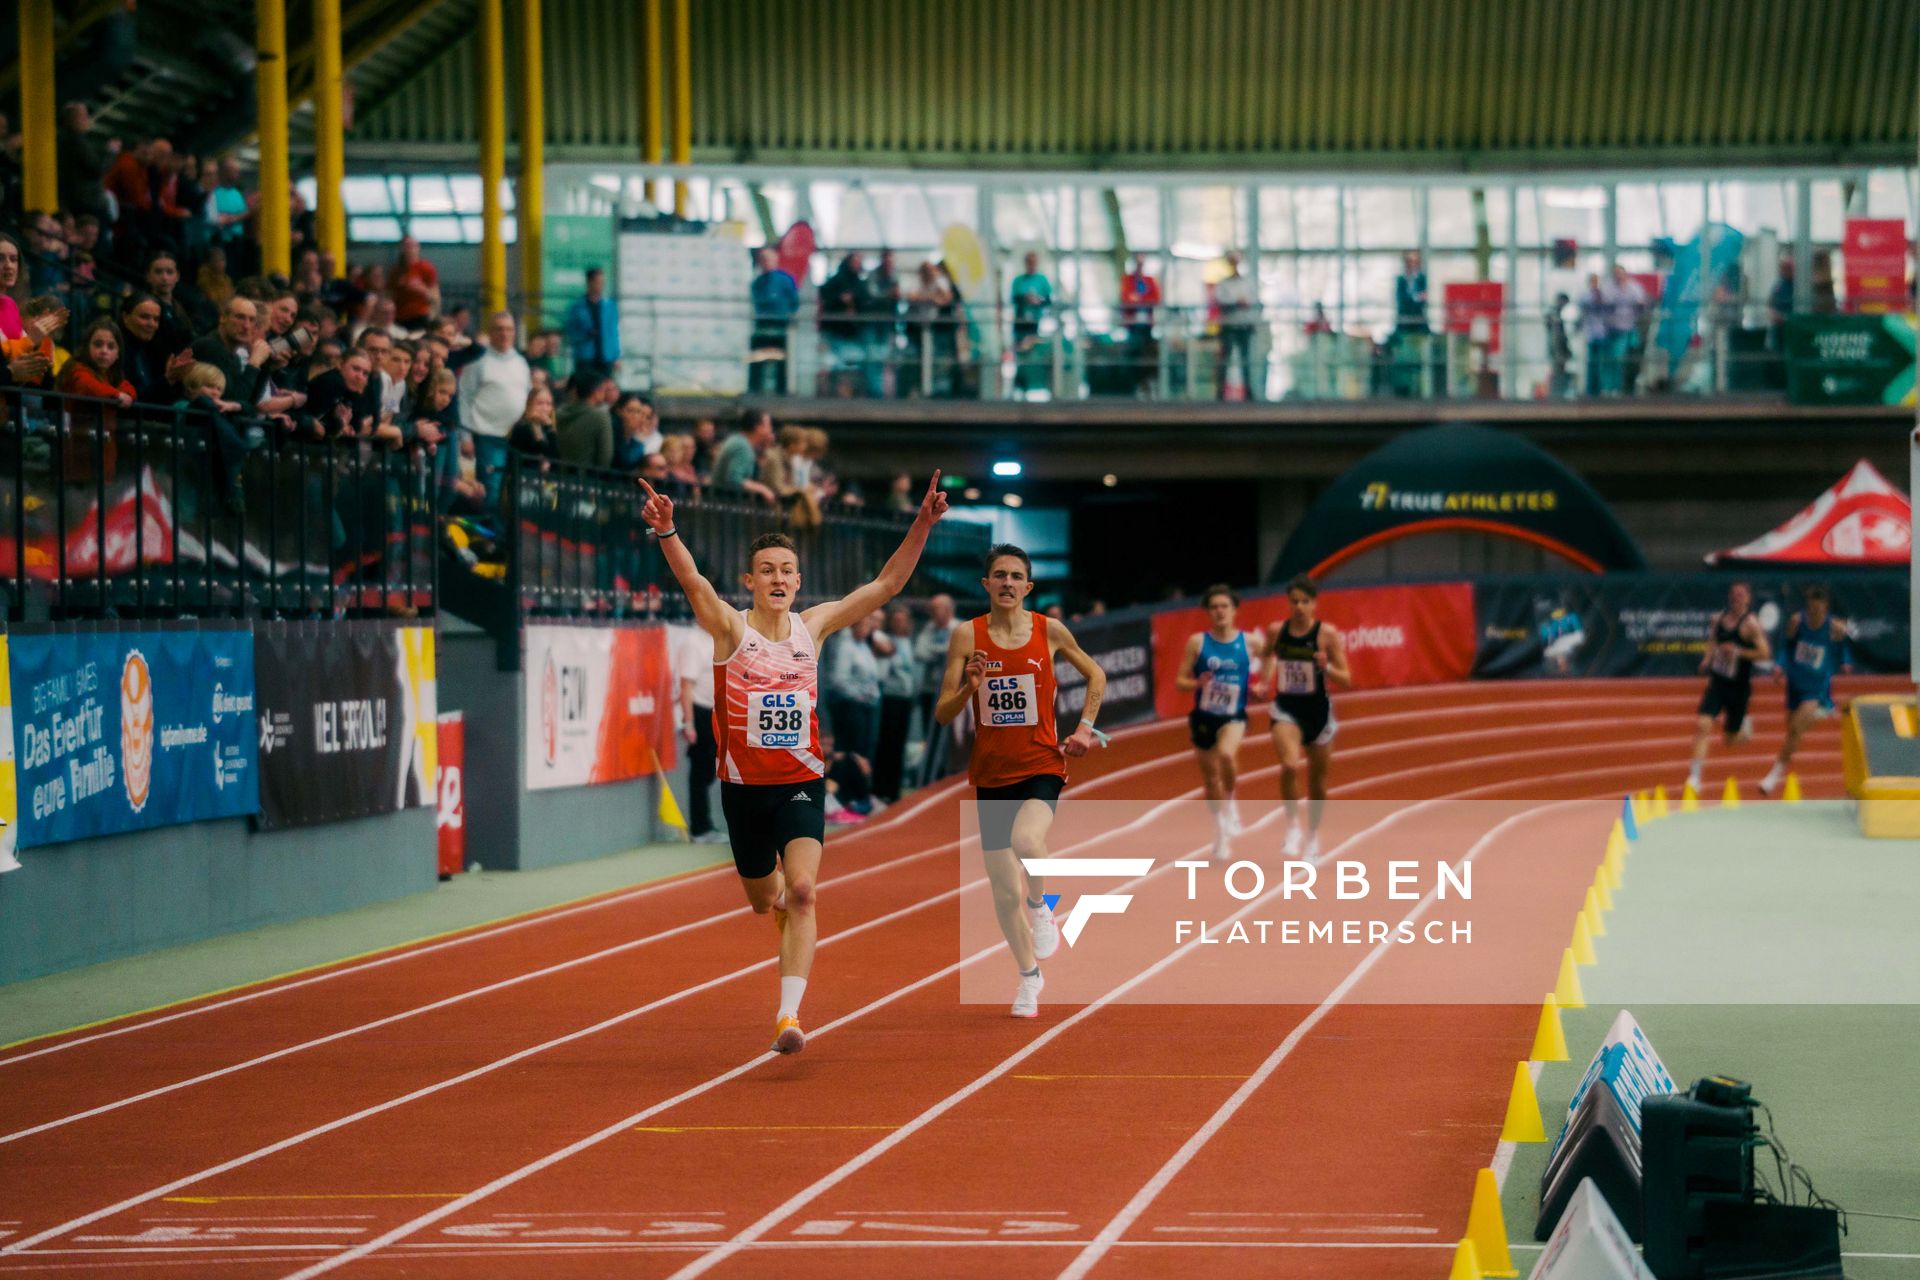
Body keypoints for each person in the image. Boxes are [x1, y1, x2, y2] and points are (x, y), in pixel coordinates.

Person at [636, 470, 951, 1054]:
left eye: (787, 570)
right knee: (766, 900)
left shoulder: (815, 625)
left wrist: (923, 523)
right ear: (750, 581)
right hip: (743, 793)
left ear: (798, 581)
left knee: (803, 891)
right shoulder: (729, 627)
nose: (778, 578)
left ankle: (788, 1016)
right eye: (768, 571)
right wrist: (668, 530)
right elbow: (692, 582)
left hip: (802, 784)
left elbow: (883, 586)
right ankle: (776, 903)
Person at [935, 544, 1107, 1019]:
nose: (1007, 583)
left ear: (1028, 587)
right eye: (999, 575)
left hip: (1041, 765)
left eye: (1016, 576)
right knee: (1001, 891)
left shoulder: (1048, 630)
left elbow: (1096, 673)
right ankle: (1029, 977)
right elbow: (942, 712)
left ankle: (1041, 905)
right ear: (986, 585)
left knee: (1027, 840)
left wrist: (1085, 728)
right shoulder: (966, 637)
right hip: (991, 773)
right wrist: (968, 688)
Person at [1175, 585, 1267, 861]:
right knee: (1210, 778)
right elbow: (1180, 681)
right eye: (1214, 607)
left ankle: (1232, 803)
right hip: (1204, 717)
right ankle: (1220, 832)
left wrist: (1262, 683)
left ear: (1234, 610)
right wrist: (1196, 682)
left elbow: (1269, 656)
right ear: (1208, 612)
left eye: (1224, 606)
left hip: (1234, 715)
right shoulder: (1197, 643)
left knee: (1227, 755)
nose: (1219, 611)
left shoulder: (1250, 642)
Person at [1261, 574, 1350, 859]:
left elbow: (1347, 678)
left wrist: (1328, 668)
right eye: (1294, 601)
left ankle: (1312, 836)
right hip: (1286, 708)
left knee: (1318, 781)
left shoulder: (1327, 635)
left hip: (1318, 712)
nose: (1299, 606)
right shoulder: (1277, 631)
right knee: (1288, 764)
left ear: (1315, 604)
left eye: (1305, 601)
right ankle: (1292, 827)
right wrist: (1264, 681)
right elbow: (1266, 655)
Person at [1761, 586, 1850, 797]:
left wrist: (1846, 662)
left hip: (1816, 687)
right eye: (1811, 602)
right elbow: (1786, 646)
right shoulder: (1797, 621)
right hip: (1795, 683)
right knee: (1791, 729)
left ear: (1826, 606)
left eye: (1818, 603)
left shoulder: (1833, 627)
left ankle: (1772, 777)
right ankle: (1823, 711)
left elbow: (1842, 649)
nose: (1814, 607)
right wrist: (1779, 666)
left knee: (1795, 731)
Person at [1687, 580, 1771, 795]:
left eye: (1741, 595)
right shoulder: (1719, 619)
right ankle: (1694, 777)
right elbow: (1714, 641)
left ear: (1748, 599)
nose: (1736, 599)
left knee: (1731, 739)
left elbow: (1765, 653)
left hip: (1739, 688)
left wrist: (1738, 652)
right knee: (1703, 724)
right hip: (1718, 683)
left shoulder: (1750, 624)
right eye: (1733, 595)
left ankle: (1745, 728)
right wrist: (1707, 659)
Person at [673, 621, 724, 843]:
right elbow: (686, 685)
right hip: (700, 711)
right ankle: (700, 827)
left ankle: (704, 825)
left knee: (711, 770)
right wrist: (689, 723)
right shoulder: (693, 643)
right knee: (700, 771)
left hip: (716, 712)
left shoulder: (714, 639)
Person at [873, 604, 921, 803]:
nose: (900, 624)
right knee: (887, 743)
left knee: (900, 744)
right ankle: (880, 787)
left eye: (903, 620)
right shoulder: (886, 641)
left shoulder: (909, 642)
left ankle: (894, 789)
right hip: (890, 698)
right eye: (896, 620)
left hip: (906, 698)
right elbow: (882, 671)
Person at [749, 249, 799, 394]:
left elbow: (794, 301)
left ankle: (781, 389)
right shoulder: (758, 282)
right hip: (763, 324)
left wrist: (786, 315)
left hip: (780, 323)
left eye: (769, 259)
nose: (766, 263)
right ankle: (755, 388)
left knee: (781, 357)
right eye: (763, 260)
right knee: (758, 356)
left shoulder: (785, 279)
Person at [1214, 252, 1259, 400]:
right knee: (1225, 360)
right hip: (1229, 326)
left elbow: (1253, 301)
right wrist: (1236, 303)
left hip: (1244, 325)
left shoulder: (1247, 282)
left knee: (1245, 359)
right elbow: (1221, 301)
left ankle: (1248, 391)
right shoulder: (1224, 284)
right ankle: (1220, 392)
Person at [563, 266, 620, 378]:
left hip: (605, 356)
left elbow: (613, 332)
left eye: (603, 282)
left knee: (605, 388)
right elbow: (570, 331)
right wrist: (585, 334)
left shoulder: (609, 306)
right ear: (589, 282)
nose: (601, 285)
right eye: (598, 282)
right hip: (585, 357)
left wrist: (616, 356)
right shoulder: (577, 307)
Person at [555, 369, 617, 468]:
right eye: (603, 389)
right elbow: (605, 456)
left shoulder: (559, 412)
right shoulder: (600, 416)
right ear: (597, 391)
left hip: (561, 475)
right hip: (588, 478)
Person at [1009, 251, 1052, 395]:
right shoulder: (1018, 281)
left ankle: (1032, 380)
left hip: (1034, 321)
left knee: (1032, 351)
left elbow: (1048, 300)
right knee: (1019, 351)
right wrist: (1025, 298)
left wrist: (1037, 301)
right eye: (1029, 261)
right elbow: (1014, 299)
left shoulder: (1042, 281)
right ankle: (1020, 382)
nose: (1032, 264)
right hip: (1021, 321)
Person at [390, 236, 440, 332]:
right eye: (406, 246)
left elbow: (435, 297)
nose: (409, 249)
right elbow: (390, 294)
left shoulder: (426, 268)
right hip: (400, 316)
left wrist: (421, 288)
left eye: (412, 245)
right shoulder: (396, 271)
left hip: (419, 315)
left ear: (418, 247)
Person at [508, 385, 559, 461]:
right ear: (529, 404)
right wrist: (548, 426)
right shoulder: (522, 426)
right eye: (539, 403)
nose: (544, 408)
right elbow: (543, 451)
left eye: (548, 404)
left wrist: (549, 427)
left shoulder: (546, 427)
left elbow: (556, 456)